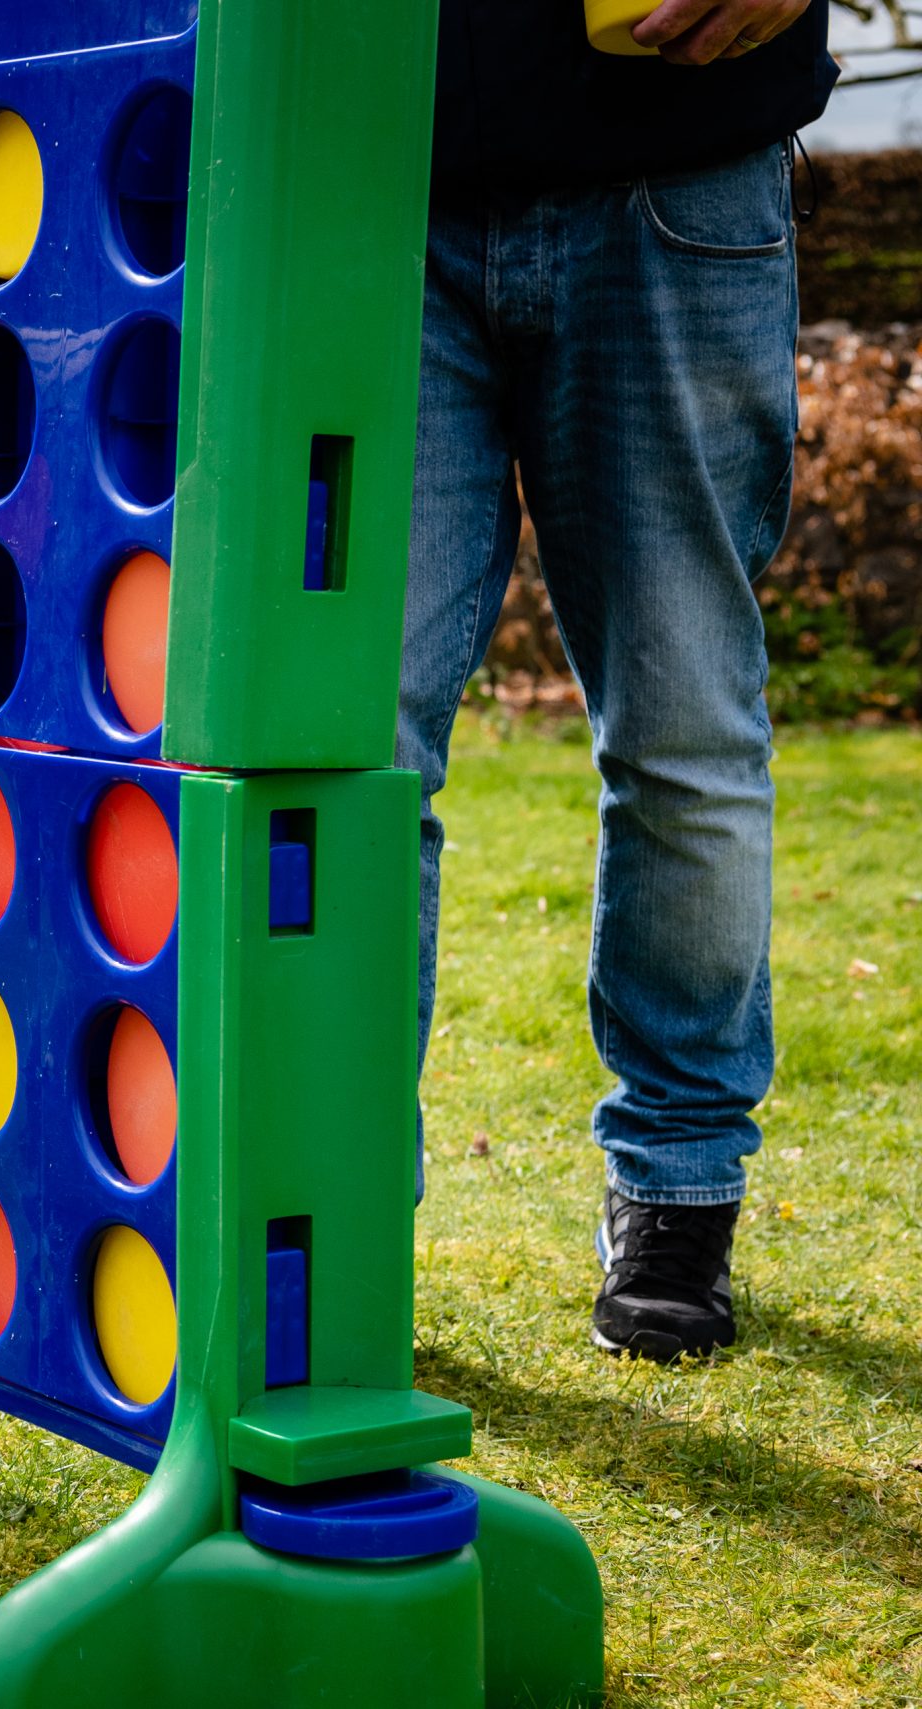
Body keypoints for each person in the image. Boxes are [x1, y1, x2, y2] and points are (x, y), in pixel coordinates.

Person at [407, 0, 833, 1360]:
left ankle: (679, 1187)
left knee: (682, 719)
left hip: (678, 170)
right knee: (343, 751)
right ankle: (326, 1206)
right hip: (362, 187)